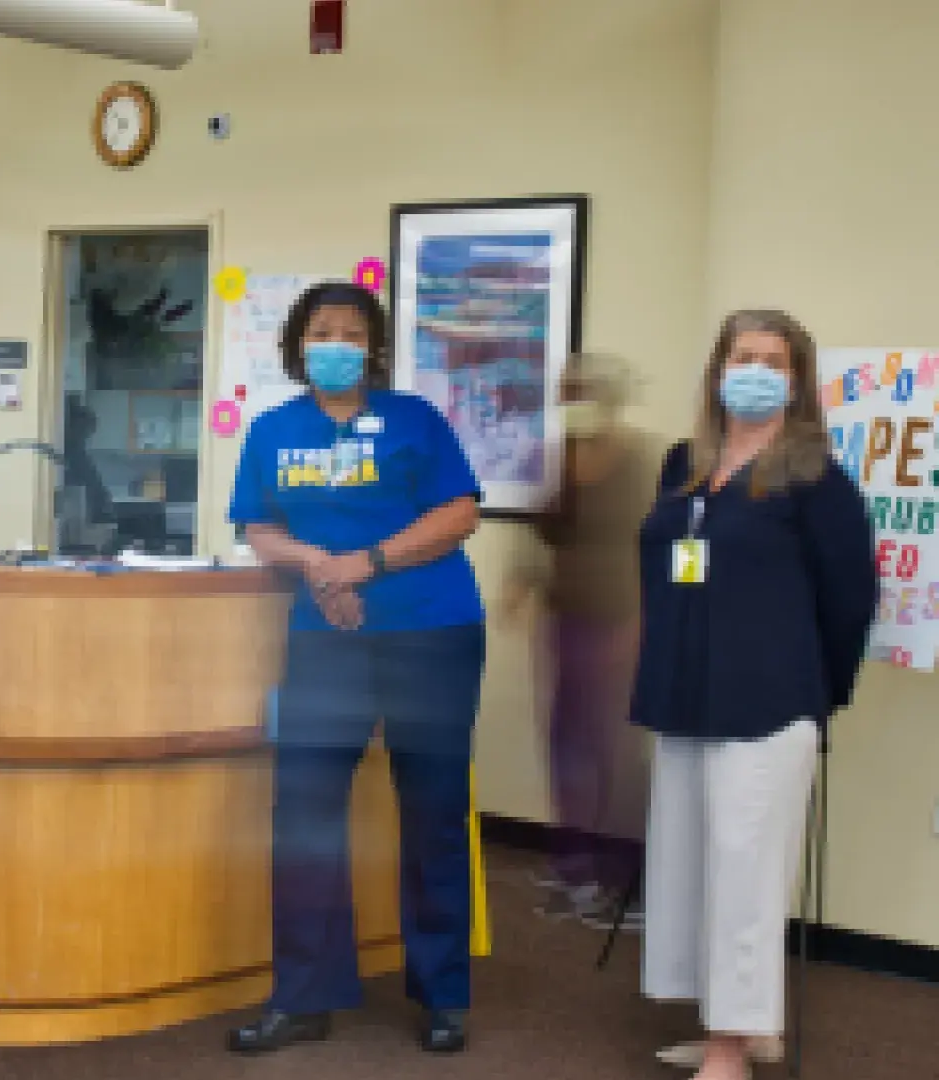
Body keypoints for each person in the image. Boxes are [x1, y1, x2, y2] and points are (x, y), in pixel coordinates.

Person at [225, 281, 486, 1056]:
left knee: (433, 812)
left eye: (350, 333)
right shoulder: (273, 430)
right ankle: (303, 996)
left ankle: (442, 995)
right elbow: (258, 528)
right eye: (320, 332)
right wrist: (318, 564)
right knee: (304, 814)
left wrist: (365, 563)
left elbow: (459, 513)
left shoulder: (416, 419)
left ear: (372, 348)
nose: (334, 345)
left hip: (431, 633)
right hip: (324, 640)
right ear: (297, 345)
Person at [632, 310, 874, 1080]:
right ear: (717, 370)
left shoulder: (817, 480)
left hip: (769, 703)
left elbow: (850, 601)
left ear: (797, 382)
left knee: (745, 875)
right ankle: (736, 1026)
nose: (756, 372)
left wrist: (818, 693)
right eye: (743, 357)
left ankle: (731, 1048)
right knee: (689, 867)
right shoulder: (683, 464)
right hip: (684, 694)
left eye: (775, 361)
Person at [503, 353, 656, 928]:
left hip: (621, 627)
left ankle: (629, 882)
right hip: (565, 623)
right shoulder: (557, 460)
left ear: (611, 399)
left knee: (615, 751)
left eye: (583, 393)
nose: (572, 405)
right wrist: (519, 587)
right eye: (566, 395)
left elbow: (666, 549)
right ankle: (575, 870)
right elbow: (539, 533)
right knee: (565, 744)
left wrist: (643, 624)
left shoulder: (644, 462)